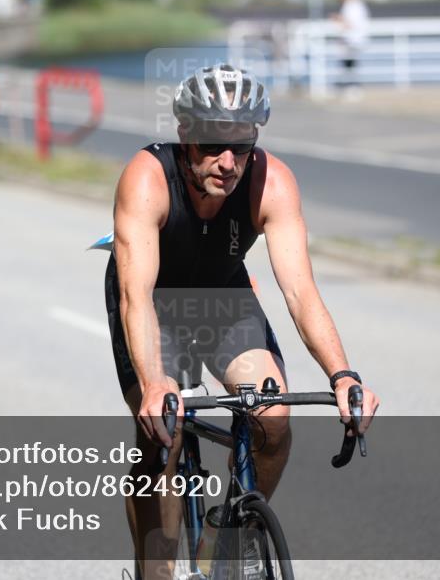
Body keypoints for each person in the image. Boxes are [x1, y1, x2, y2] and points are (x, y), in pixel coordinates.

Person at [104, 63, 380, 578]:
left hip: (220, 296)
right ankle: (155, 570)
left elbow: (299, 291)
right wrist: (155, 381)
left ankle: (225, 541)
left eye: (242, 146)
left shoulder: (272, 181)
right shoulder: (147, 178)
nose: (228, 162)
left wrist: (343, 375)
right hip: (151, 302)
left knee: (272, 417)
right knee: (163, 429)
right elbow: (135, 295)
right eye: (212, 145)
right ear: (185, 134)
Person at [334, 0, 370, 98]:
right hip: (352, 39)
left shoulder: (353, 6)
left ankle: (353, 87)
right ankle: (350, 86)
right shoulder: (356, 5)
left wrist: (338, 19)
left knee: (350, 63)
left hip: (353, 39)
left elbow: (351, 23)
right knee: (349, 63)